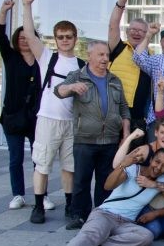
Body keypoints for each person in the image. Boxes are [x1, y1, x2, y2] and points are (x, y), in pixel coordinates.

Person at [43, 148, 164, 246]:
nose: (159, 167)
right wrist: (122, 165)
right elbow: (108, 186)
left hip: (127, 222)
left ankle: (100, 241)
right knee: (90, 233)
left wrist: (155, 213)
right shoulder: (133, 169)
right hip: (106, 214)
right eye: (157, 161)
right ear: (151, 159)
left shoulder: (161, 182)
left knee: (146, 237)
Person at [55, 41, 131, 230]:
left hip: (110, 140)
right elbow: (58, 91)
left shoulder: (114, 80)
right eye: (101, 55)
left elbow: (123, 109)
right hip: (85, 140)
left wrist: (126, 135)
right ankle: (79, 215)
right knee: (81, 180)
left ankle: (102, 214)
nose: (105, 59)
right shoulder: (77, 76)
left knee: (106, 181)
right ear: (90, 56)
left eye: (107, 55)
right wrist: (72, 88)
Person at [22, 0, 82, 224]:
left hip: (70, 123)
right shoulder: (47, 57)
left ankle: (69, 205)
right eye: (60, 37)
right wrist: (27, 6)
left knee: (69, 167)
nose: (65, 40)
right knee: (43, 164)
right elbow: (29, 33)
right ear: (55, 39)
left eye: (68, 36)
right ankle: (38, 206)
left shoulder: (81, 64)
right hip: (47, 118)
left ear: (75, 38)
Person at [0, 0, 40, 210]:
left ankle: (42, 195)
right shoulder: (11, 57)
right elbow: (0, 35)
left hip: (35, 117)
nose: (24, 40)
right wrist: (3, 12)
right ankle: (18, 194)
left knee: (38, 159)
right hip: (13, 117)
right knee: (16, 158)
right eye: (20, 38)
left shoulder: (42, 60)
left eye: (27, 37)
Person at [112, 119, 164, 240]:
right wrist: (130, 138)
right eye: (163, 132)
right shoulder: (146, 150)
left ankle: (162, 222)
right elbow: (117, 165)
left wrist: (153, 184)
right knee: (155, 231)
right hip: (146, 202)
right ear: (156, 133)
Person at [107, 0, 152, 146]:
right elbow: (113, 25)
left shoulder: (151, 56)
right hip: (113, 114)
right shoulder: (118, 48)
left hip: (137, 118)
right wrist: (122, 0)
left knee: (133, 162)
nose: (136, 33)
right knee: (110, 160)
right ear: (127, 32)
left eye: (141, 31)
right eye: (133, 29)